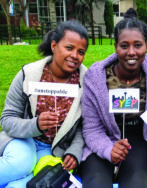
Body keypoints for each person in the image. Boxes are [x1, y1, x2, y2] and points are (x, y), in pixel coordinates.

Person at [79, 8, 147, 188]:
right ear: (115, 47)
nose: (131, 52)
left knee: (136, 183)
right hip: (102, 139)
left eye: (138, 45)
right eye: (124, 45)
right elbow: (91, 128)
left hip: (139, 140)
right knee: (96, 183)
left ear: (146, 46)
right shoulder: (95, 79)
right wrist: (108, 149)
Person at [0, 20, 88, 188]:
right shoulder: (28, 74)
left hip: (55, 150)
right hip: (24, 139)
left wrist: (74, 151)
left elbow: (85, 127)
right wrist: (36, 124)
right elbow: (7, 119)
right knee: (21, 163)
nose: (75, 56)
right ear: (54, 45)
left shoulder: (87, 82)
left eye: (81, 51)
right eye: (69, 48)